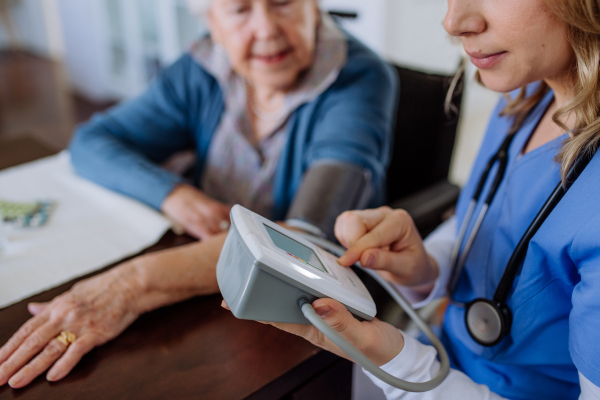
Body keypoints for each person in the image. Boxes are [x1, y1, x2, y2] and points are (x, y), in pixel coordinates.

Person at [0, 0, 397, 388]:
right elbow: (93, 140)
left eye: (282, 2)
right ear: (212, 21)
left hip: (304, 315)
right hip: (209, 275)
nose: (266, 29)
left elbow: (307, 238)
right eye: (240, 9)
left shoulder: (359, 78)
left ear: (315, 7)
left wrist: (131, 285)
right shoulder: (203, 65)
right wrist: (174, 194)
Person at [246, 0, 600, 398]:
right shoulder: (527, 95)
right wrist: (426, 266)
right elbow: (490, 218)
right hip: (440, 354)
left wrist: (397, 363)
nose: (453, 22)